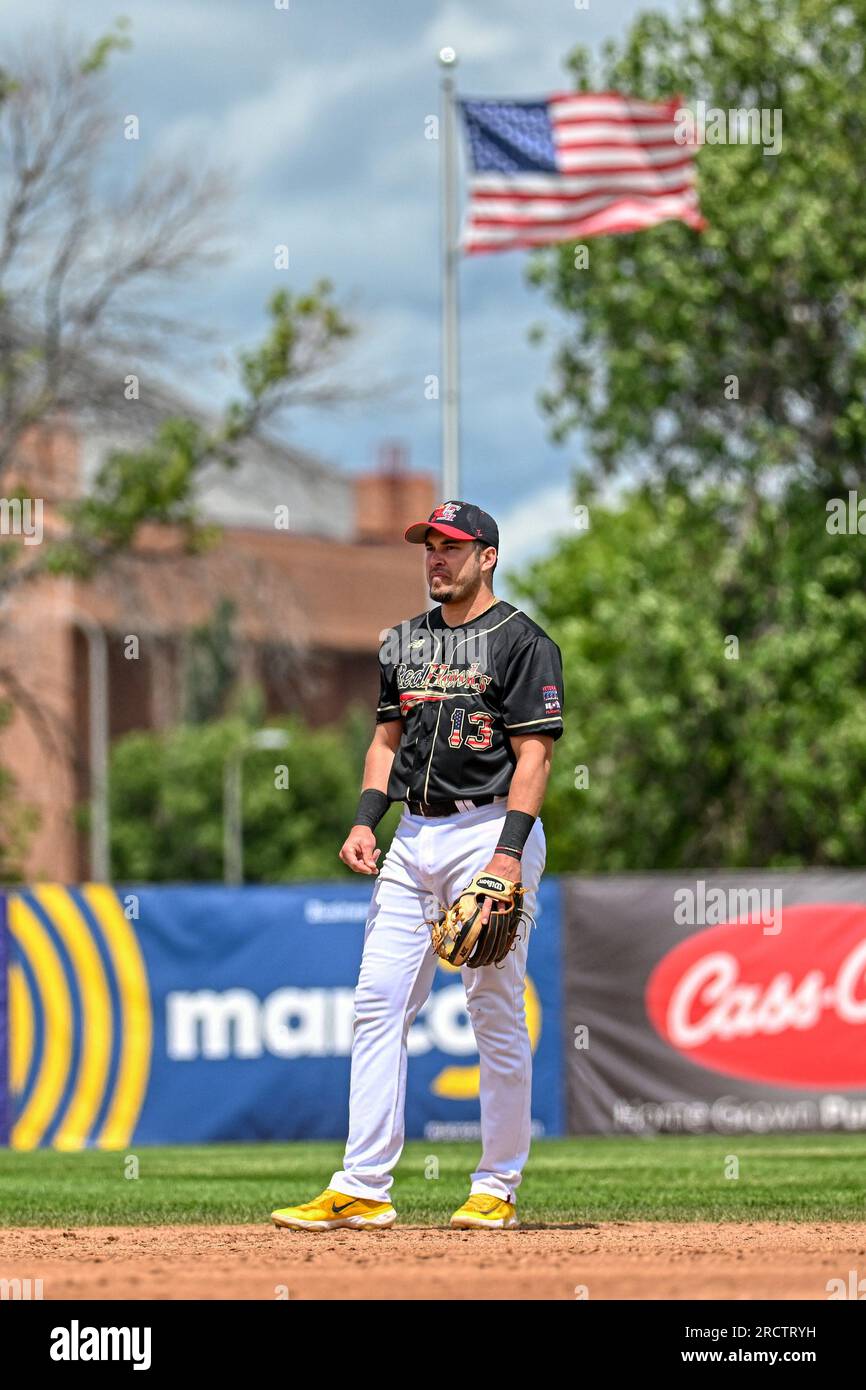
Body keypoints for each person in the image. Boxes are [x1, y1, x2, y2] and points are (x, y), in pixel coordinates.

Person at [271, 500, 564, 1231]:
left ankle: (496, 1184)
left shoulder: (522, 642)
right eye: (429, 547)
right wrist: (366, 820)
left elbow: (535, 754)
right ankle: (363, 1185)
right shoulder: (403, 642)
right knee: (377, 1005)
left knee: (493, 1009)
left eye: (452, 547)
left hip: (491, 828)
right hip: (414, 835)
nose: (436, 559)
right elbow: (385, 742)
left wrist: (507, 857)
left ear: (487, 556)